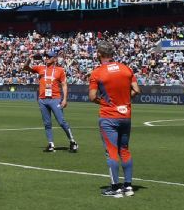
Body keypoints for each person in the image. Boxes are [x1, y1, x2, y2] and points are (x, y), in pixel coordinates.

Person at [88, 41, 139, 198]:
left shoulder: (97, 72)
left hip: (109, 116)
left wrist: (105, 103)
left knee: (111, 152)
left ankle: (115, 187)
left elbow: (92, 97)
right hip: (126, 115)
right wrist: (124, 102)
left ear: (99, 54)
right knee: (124, 149)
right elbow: (137, 90)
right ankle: (128, 187)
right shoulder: (126, 69)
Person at [27, 50, 76, 153]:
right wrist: (29, 58)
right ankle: (51, 144)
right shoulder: (40, 68)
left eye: (49, 57)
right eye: (46, 57)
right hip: (43, 100)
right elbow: (25, 68)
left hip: (55, 99)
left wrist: (65, 99)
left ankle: (72, 141)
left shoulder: (60, 70)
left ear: (54, 59)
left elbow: (64, 85)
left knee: (61, 121)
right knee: (47, 123)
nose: (46, 58)